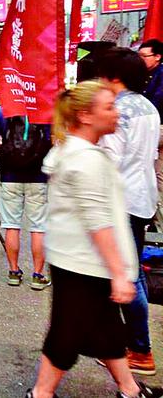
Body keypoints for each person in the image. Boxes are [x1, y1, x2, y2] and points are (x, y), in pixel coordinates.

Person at [26, 80, 163, 398]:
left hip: (79, 260)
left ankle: (129, 389)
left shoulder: (76, 151)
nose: (117, 113)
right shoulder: (86, 159)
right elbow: (99, 222)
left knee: (107, 329)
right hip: (84, 263)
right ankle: (41, 393)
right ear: (86, 116)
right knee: (66, 336)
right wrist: (119, 273)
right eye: (109, 107)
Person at [97, 48, 160, 375]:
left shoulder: (116, 111)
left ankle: (140, 349)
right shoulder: (148, 107)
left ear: (114, 76)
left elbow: (108, 161)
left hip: (120, 199)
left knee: (126, 275)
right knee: (133, 271)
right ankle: (132, 343)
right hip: (142, 197)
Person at [0, 107, 51, 290]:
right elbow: (54, 142)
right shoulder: (44, 111)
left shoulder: (2, 112)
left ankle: (14, 272)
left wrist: (9, 150)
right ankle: (37, 275)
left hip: (10, 176)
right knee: (38, 227)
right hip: (38, 176)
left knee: (11, 225)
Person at [140, 39, 163, 194]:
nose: (140, 59)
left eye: (144, 56)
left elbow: (156, 101)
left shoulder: (160, 74)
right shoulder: (147, 74)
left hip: (157, 126)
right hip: (154, 125)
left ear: (157, 57)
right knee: (157, 171)